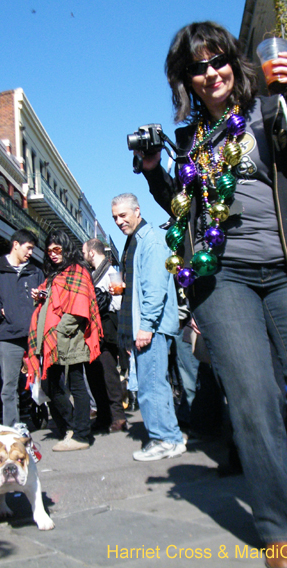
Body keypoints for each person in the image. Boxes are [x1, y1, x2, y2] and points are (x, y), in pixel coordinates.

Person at [137, 22, 287, 565]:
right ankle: (276, 522)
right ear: (186, 80)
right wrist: (157, 174)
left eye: (217, 60)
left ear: (234, 61)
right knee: (254, 399)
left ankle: (286, 470)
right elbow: (183, 209)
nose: (210, 73)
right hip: (222, 279)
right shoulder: (190, 139)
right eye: (196, 68)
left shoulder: (271, 112)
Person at [112, 193, 185, 462]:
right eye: (115, 217)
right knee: (154, 384)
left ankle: (165, 439)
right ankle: (170, 437)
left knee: (152, 385)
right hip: (143, 327)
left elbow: (154, 289)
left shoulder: (151, 240)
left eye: (123, 215)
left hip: (149, 328)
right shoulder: (135, 241)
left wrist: (146, 326)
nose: (119, 221)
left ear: (137, 211)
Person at [25, 230, 103, 451]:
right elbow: (57, 301)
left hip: (69, 337)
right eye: (49, 250)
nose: (52, 254)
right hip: (52, 338)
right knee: (51, 385)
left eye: (57, 249)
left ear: (66, 248)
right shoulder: (55, 274)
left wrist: (59, 331)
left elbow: (79, 307)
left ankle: (81, 435)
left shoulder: (77, 271)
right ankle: (71, 427)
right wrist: (42, 296)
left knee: (76, 384)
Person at [0, 229, 44, 428]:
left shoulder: (36, 271)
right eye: (28, 248)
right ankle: (11, 429)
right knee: (9, 386)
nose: (30, 253)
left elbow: (45, 297)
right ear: (16, 244)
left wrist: (41, 297)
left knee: (44, 380)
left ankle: (48, 420)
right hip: (8, 336)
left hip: (35, 335)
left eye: (32, 250)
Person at [82, 238, 127, 433]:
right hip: (94, 330)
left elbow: (118, 303)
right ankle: (103, 415)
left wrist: (103, 299)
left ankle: (117, 416)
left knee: (108, 374)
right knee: (95, 375)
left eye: (84, 252)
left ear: (92, 252)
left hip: (106, 329)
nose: (83, 255)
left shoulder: (112, 273)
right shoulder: (93, 274)